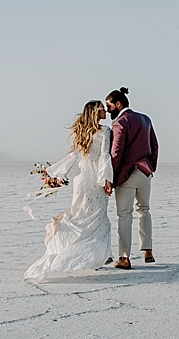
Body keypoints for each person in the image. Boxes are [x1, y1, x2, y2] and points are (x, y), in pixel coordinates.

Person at [24, 100, 113, 282]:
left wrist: (59, 173)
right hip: (95, 178)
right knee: (98, 218)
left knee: (80, 216)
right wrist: (105, 179)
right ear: (95, 113)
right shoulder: (105, 131)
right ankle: (92, 257)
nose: (105, 111)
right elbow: (105, 156)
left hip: (80, 179)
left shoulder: (81, 132)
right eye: (102, 110)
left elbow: (72, 157)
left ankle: (88, 255)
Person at [106, 87, 159, 270]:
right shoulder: (145, 119)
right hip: (145, 172)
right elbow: (154, 145)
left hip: (127, 174)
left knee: (124, 215)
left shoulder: (121, 122)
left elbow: (116, 152)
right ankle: (148, 250)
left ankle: (124, 257)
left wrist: (111, 177)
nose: (107, 111)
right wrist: (150, 167)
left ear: (118, 104)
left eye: (109, 106)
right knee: (144, 209)